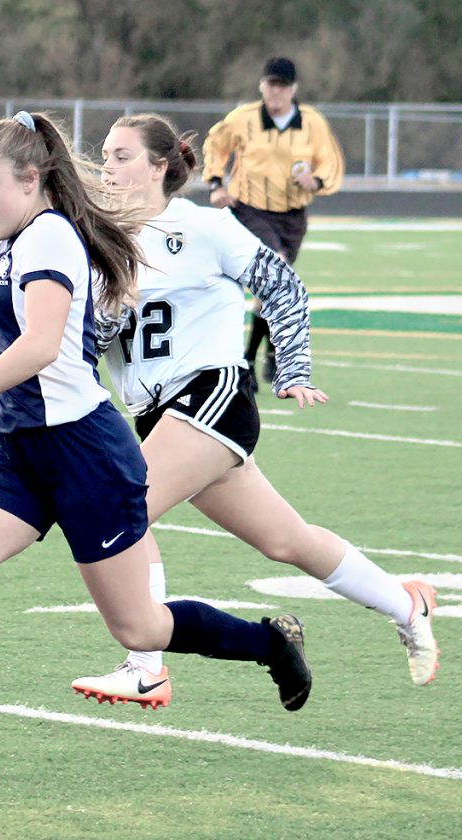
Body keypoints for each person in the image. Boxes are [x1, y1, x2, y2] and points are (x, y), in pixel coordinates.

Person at [0, 112, 313, 790]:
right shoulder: (21, 238)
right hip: (21, 450)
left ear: (29, 179)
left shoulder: (47, 237)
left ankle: (270, 642)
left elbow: (41, 346)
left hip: (83, 454)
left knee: (141, 628)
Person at [69, 114, 437, 710]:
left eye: (121, 156)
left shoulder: (205, 226)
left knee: (122, 504)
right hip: (158, 415)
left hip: (210, 396)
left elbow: (284, 287)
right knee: (287, 541)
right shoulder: (97, 242)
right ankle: (407, 605)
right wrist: (112, 305)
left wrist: (292, 370)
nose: (106, 167)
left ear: (160, 167)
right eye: (105, 155)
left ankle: (145, 667)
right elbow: (88, 345)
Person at [202, 57, 343, 391]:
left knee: (273, 288)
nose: (276, 92)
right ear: (261, 86)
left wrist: (316, 181)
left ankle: (260, 355)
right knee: (274, 270)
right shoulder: (244, 118)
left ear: (293, 89)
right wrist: (216, 184)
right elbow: (215, 145)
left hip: (292, 216)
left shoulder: (311, 122)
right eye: (271, 84)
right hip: (251, 210)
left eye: (282, 85)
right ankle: (254, 360)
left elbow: (330, 161)